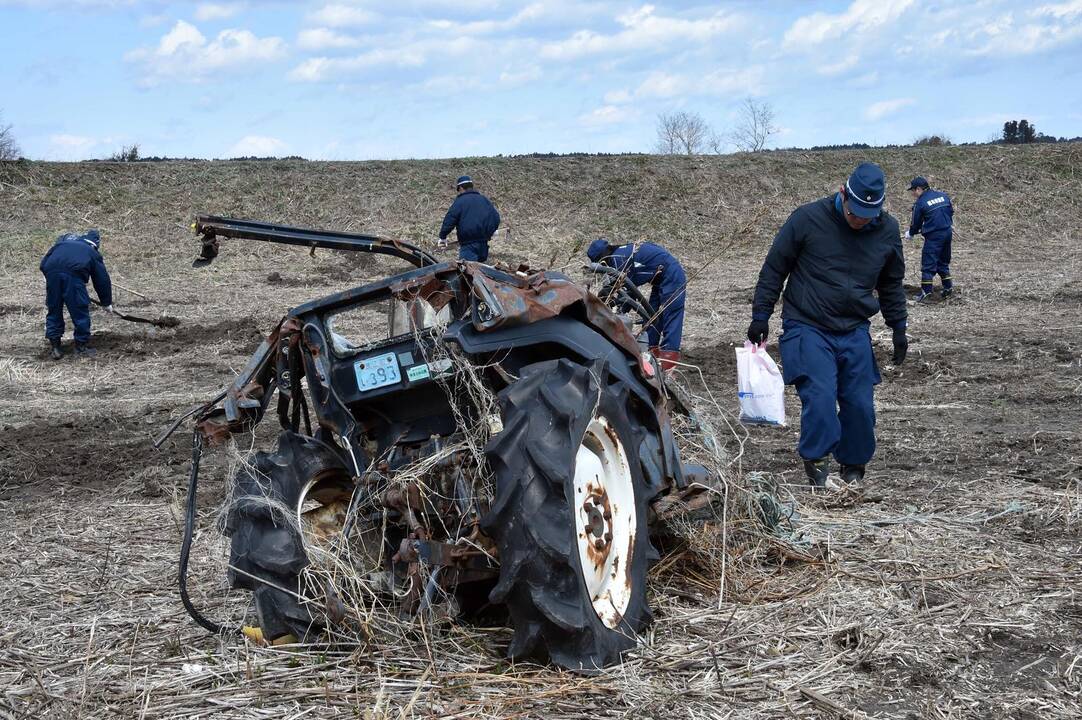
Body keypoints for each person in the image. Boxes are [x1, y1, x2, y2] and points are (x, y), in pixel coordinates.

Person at [747, 162, 908, 489]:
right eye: (855, 213)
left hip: (854, 327)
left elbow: (891, 282)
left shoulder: (887, 230)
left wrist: (898, 326)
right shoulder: (807, 219)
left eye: (868, 215)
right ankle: (818, 470)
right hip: (808, 324)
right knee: (820, 397)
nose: (860, 221)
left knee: (860, 404)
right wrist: (760, 314)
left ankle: (853, 469)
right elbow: (775, 268)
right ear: (842, 194)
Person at [587, 238, 686, 371]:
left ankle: (669, 364)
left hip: (672, 274)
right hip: (658, 278)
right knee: (652, 316)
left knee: (671, 315)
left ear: (603, 257)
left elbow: (628, 288)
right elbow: (628, 289)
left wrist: (617, 308)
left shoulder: (618, 259)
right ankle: (651, 356)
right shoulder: (621, 253)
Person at [40, 229, 114, 359]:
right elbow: (102, 280)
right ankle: (81, 347)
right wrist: (106, 302)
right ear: (94, 244)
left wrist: (48, 275)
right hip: (73, 276)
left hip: (52, 273)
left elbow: (45, 262)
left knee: (54, 309)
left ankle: (55, 347)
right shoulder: (92, 252)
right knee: (79, 309)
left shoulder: (61, 244)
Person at [905, 176, 954, 301]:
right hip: (947, 232)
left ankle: (926, 292)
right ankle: (948, 288)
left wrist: (910, 233)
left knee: (928, 263)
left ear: (919, 189)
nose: (913, 194)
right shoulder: (943, 195)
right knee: (943, 261)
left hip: (934, 236)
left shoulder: (920, 203)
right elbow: (950, 211)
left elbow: (915, 223)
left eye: (913, 191)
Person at [437, 175, 501, 262]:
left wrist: (443, 236)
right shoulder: (483, 199)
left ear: (461, 188)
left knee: (467, 272)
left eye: (459, 190)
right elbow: (495, 217)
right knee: (481, 271)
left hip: (468, 245)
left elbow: (450, 220)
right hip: (483, 245)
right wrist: (491, 230)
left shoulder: (459, 202)